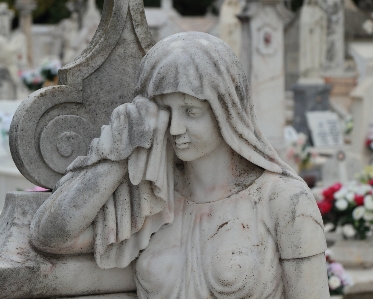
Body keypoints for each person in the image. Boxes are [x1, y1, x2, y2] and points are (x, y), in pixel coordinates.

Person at [30, 32, 329, 299]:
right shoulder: (151, 198)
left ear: (226, 112)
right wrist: (119, 152)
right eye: (164, 111)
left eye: (190, 111)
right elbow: (51, 236)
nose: (175, 128)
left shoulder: (283, 202)